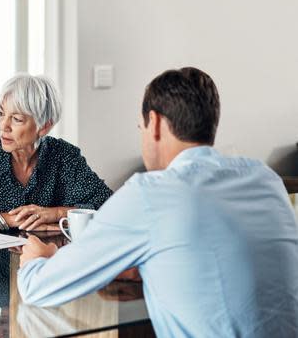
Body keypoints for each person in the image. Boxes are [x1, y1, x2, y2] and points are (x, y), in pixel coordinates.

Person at [18, 67, 298, 337]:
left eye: (141, 127)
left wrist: (35, 259)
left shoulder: (150, 193)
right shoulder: (264, 179)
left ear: (156, 124)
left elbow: (37, 288)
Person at [0, 74, 112, 234]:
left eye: (16, 119)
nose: (3, 126)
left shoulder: (65, 157)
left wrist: (56, 213)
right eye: (1, 114)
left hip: (48, 261)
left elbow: (110, 205)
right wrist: (8, 219)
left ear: (44, 126)